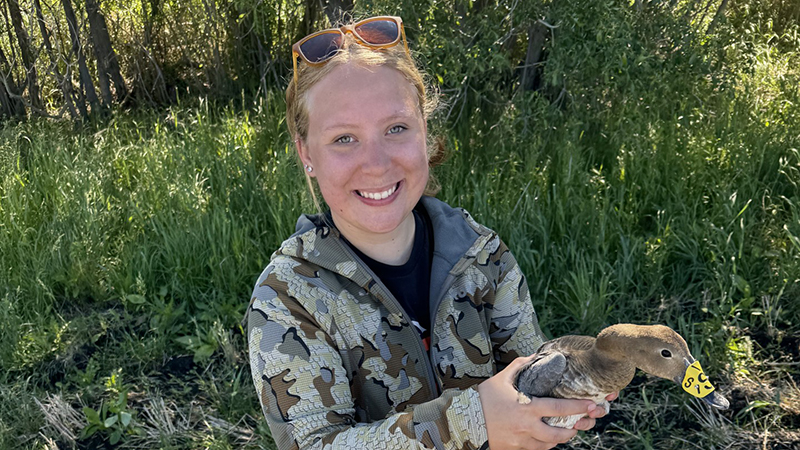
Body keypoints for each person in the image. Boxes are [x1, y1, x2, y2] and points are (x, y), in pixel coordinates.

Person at [245, 16, 613, 450]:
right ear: (306, 153)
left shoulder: (482, 254)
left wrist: (576, 390)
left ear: (424, 131)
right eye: (344, 138)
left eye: (396, 129)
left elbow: (527, 382)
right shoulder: (287, 297)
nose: (377, 163)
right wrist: (470, 421)